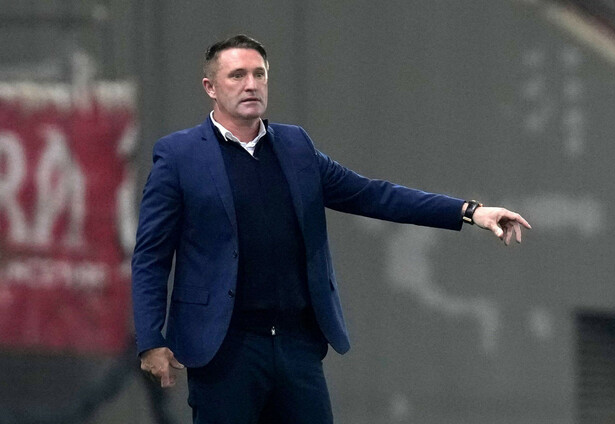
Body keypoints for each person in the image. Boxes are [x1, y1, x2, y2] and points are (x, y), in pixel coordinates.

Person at [131, 34, 531, 424]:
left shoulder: (296, 147)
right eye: (237, 75)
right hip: (225, 349)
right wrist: (150, 340)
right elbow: (151, 256)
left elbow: (373, 195)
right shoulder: (179, 155)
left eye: (259, 74)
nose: (251, 84)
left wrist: (469, 212)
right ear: (211, 87)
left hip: (296, 345)